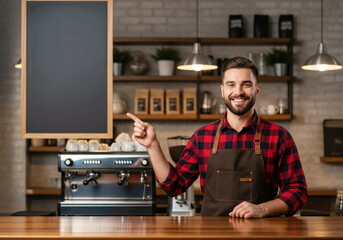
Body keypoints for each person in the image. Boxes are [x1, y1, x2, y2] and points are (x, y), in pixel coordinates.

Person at [127, 56, 307, 218]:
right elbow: (174, 186)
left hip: (262, 235)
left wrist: (262, 209)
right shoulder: (203, 136)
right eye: (231, 84)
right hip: (212, 234)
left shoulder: (279, 136)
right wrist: (152, 146)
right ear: (222, 90)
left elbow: (297, 192)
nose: (238, 91)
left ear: (257, 89)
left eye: (246, 84)